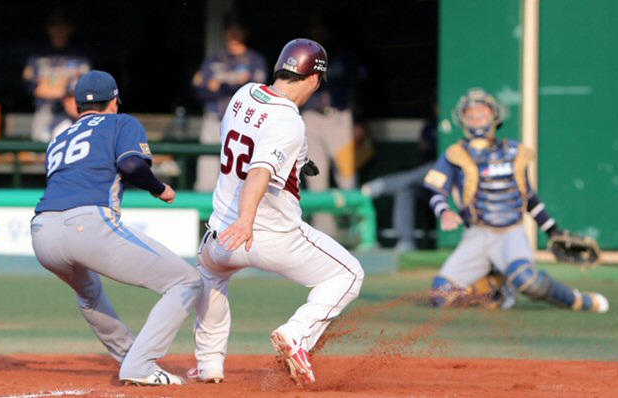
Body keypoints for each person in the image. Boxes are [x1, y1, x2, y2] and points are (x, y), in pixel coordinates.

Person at [186, 39, 365, 386]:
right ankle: (297, 334)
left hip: (221, 233)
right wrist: (246, 220)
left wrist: (301, 161)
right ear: (313, 78)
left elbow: (256, 139)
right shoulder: (289, 121)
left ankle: (208, 364)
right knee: (349, 275)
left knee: (212, 276)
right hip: (269, 234)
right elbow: (259, 171)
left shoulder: (244, 94)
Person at [30, 70, 203, 385]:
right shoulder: (121, 122)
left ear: (78, 105)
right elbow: (132, 165)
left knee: (89, 295)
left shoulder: (59, 137)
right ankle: (140, 364)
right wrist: (159, 188)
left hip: (41, 232)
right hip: (85, 225)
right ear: (114, 102)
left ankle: (130, 357)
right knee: (186, 282)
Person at [423, 88, 608, 312]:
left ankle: (579, 300)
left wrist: (553, 231)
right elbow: (436, 190)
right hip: (477, 234)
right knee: (439, 296)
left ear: (494, 116)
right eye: (471, 115)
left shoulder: (514, 152)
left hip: (510, 232)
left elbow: (529, 198)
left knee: (528, 281)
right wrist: (444, 211)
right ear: (462, 119)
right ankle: (495, 286)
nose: (477, 119)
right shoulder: (456, 154)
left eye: (482, 114)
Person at [300, 18, 368, 237]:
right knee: (315, 178)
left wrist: (358, 120)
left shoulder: (344, 55)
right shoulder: (303, 55)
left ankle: (355, 231)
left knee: (347, 176)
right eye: (314, 26)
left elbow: (358, 88)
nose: (317, 30)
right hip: (311, 116)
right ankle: (324, 234)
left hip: (338, 117)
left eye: (321, 26)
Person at [191, 15, 268, 192]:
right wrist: (234, 82)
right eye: (230, 29)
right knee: (207, 177)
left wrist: (222, 83)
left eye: (238, 29)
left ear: (245, 32)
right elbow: (199, 89)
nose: (233, 33)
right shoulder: (214, 60)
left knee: (239, 180)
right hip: (215, 119)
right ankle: (203, 220)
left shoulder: (255, 60)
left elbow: (257, 91)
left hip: (243, 125)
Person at [361, 99, 439, 252]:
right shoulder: (430, 126)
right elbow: (424, 150)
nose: (438, 107)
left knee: (435, 168)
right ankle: (406, 242)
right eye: (436, 104)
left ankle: (385, 184)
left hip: (448, 177)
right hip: (426, 180)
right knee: (405, 188)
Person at [22, 9, 91, 142]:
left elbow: (81, 88)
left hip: (69, 113)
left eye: (63, 25)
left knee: (65, 147)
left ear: (70, 28)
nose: (58, 29)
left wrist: (52, 87)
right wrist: (63, 88)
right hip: (44, 110)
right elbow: (33, 87)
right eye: (54, 25)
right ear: (48, 29)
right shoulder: (38, 55)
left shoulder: (80, 56)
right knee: (38, 150)